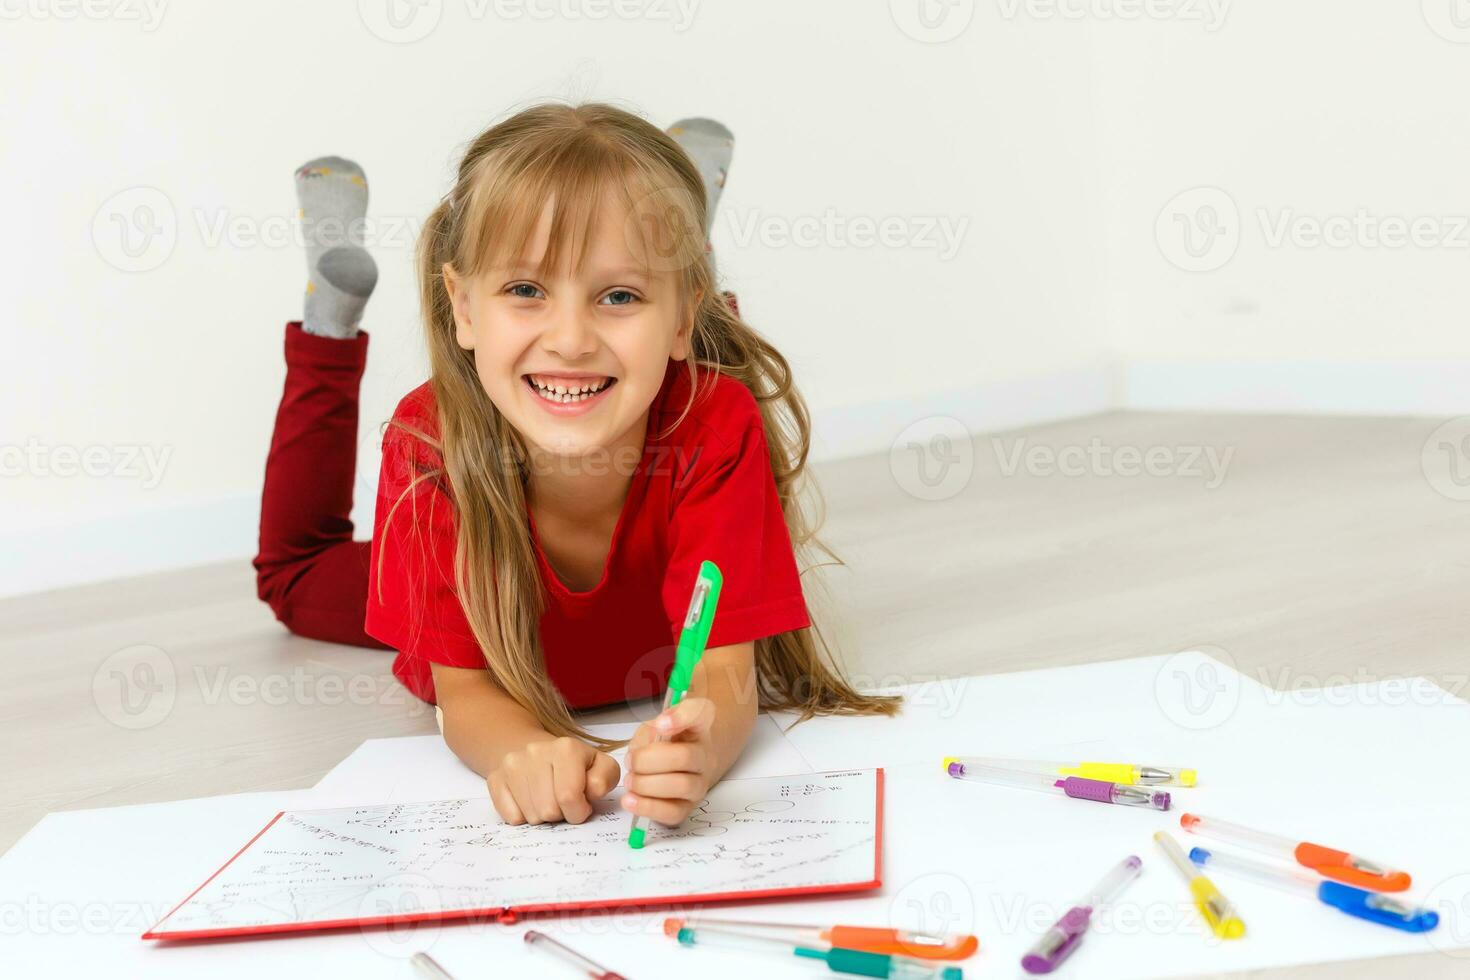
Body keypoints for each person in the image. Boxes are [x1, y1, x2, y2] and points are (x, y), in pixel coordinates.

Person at [253, 103, 898, 831]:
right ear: (462, 307)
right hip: (460, 515)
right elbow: (462, 694)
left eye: (617, 294)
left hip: (681, 356)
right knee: (295, 573)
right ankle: (328, 323)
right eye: (525, 290)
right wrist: (523, 752)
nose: (569, 340)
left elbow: (726, 674)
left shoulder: (716, 426)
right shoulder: (429, 445)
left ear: (685, 317)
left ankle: (673, 244)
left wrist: (700, 748)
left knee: (677, 368)